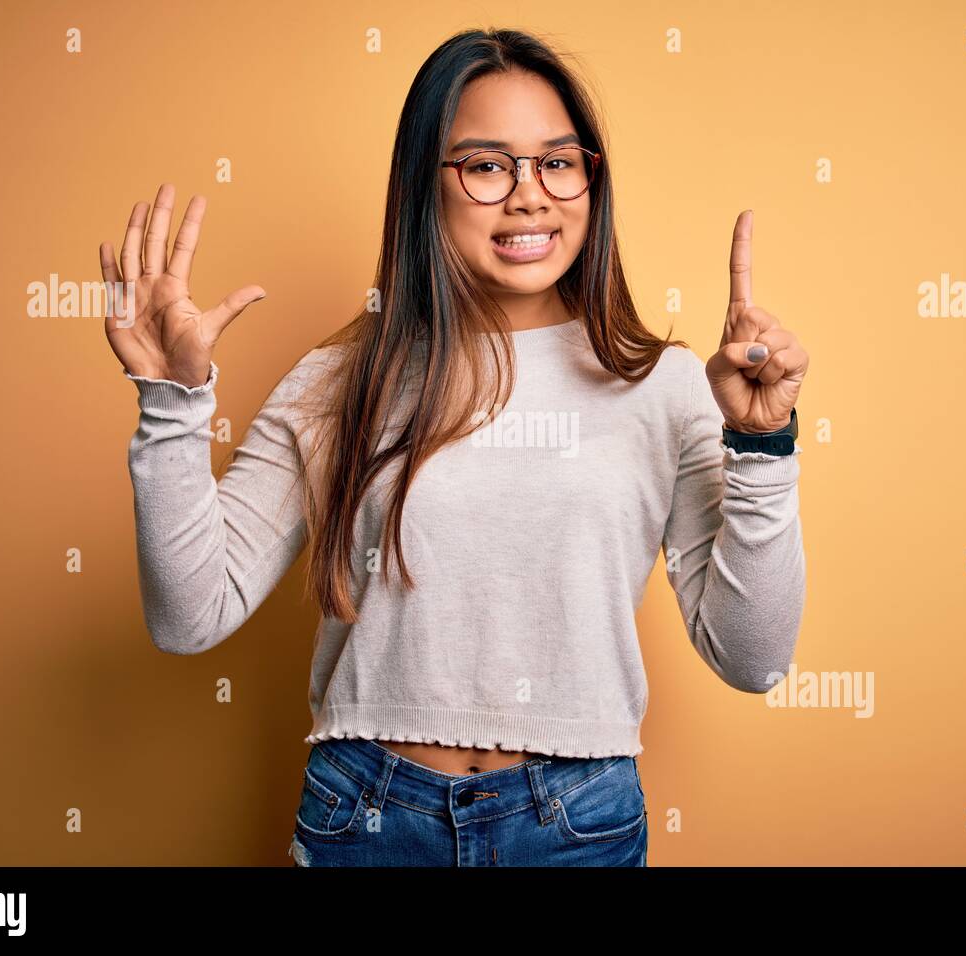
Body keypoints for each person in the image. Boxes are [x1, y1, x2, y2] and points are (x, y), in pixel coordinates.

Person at [100, 27, 809, 867]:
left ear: (590, 178)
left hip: (577, 827)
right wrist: (173, 405)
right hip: (365, 817)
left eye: (558, 161)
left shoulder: (664, 386)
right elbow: (189, 617)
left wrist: (762, 444)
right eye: (484, 165)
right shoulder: (339, 380)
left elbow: (754, 660)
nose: (530, 196)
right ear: (423, 187)